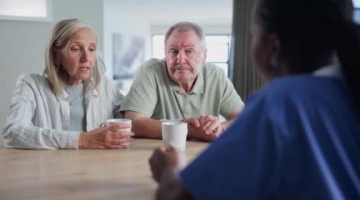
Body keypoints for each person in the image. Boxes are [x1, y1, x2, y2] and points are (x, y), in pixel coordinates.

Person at [149, 0, 360, 199]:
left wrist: (170, 170)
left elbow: (177, 195)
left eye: (252, 35)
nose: (180, 58)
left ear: (273, 47)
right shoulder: (347, 88)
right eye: (173, 51)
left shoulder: (281, 102)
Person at [2, 18, 134, 150]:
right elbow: (13, 132)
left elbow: (131, 120)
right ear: (55, 56)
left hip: (95, 167)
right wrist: (83, 140)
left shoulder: (106, 86)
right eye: (76, 49)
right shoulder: (31, 85)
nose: (86, 58)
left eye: (92, 49)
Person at [120, 22, 244, 142]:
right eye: (173, 51)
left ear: (204, 56)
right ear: (165, 54)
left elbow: (245, 118)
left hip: (204, 156)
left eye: (189, 51)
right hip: (158, 156)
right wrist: (189, 130)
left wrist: (219, 128)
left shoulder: (216, 76)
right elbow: (134, 123)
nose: (180, 59)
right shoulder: (150, 72)